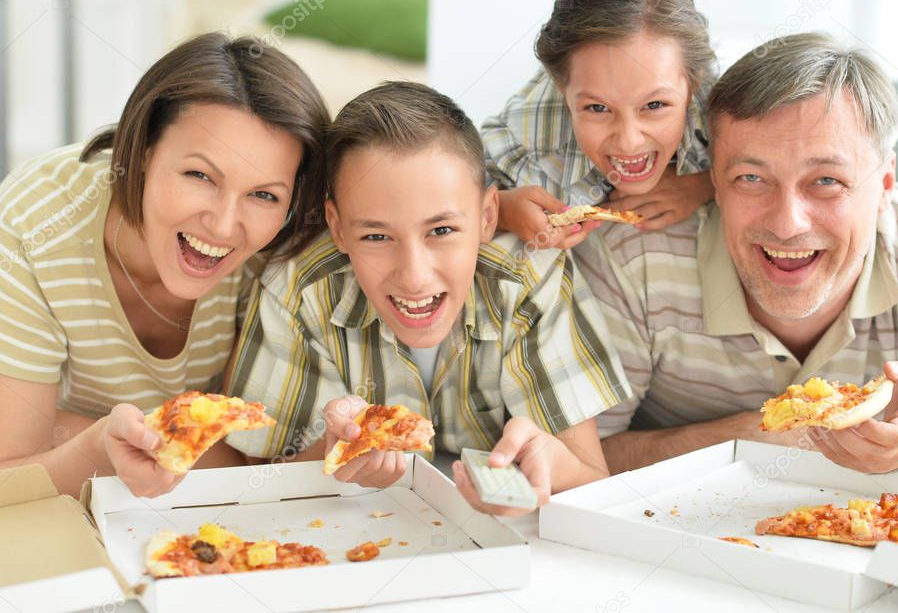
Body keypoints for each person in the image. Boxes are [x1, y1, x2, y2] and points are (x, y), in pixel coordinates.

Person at [579, 32, 898, 485]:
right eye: (751, 177)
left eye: (826, 181)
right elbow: (575, 463)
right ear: (714, 179)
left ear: (885, 185)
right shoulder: (634, 261)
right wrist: (744, 438)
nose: (787, 223)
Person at [226, 81, 631, 515]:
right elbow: (261, 473)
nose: (414, 277)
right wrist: (332, 453)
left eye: (440, 231)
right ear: (338, 228)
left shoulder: (531, 279)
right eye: (377, 236)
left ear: (488, 215)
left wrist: (551, 469)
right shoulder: (298, 291)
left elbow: (592, 478)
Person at [0, 32, 330, 496]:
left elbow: (260, 464)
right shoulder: (39, 220)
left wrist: (72, 429)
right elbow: (11, 478)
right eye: (200, 175)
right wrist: (99, 447)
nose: (223, 224)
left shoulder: (281, 248)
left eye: (263, 194)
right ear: (142, 153)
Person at [482, 0, 717, 250]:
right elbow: (432, 206)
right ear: (560, 87)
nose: (629, 142)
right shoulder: (525, 137)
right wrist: (502, 210)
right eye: (598, 107)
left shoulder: (722, 109)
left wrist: (706, 185)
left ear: (693, 82)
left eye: (655, 105)